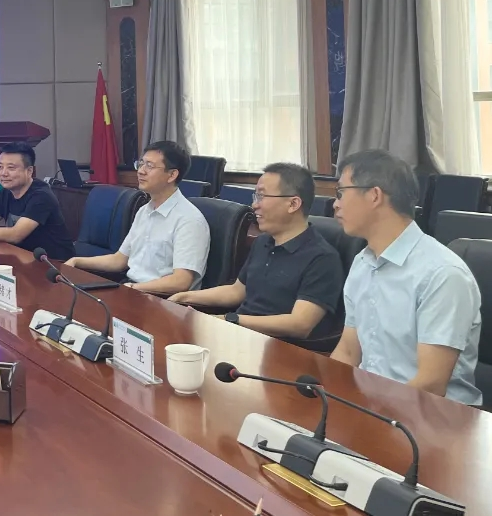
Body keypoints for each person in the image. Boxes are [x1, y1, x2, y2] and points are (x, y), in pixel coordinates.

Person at [330, 149, 482, 406]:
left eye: (341, 192)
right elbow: (348, 350)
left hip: (435, 415)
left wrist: (366, 411)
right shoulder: (362, 262)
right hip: (372, 403)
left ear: (374, 195)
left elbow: (430, 384)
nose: (335, 204)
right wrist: (327, 397)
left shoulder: (442, 274)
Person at [169, 163, 344, 340]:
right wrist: (186, 296)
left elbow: (300, 324)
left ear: (293, 204)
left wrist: (231, 320)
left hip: (279, 347)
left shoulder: (322, 258)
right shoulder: (263, 242)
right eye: (256, 196)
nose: (254, 204)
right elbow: (237, 291)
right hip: (241, 336)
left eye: (261, 196)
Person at [66, 141, 209, 294]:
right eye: (141, 164)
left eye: (150, 166)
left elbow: (181, 281)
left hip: (160, 298)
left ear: (172, 175)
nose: (141, 171)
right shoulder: (144, 211)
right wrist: (77, 261)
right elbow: (119, 260)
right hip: (132, 289)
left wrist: (134, 288)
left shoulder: (189, 220)